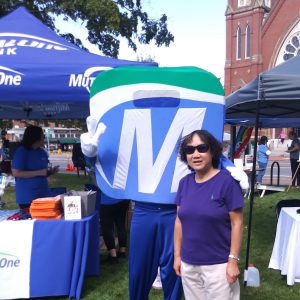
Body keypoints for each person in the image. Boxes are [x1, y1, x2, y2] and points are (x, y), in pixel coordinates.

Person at [174, 130, 244, 300]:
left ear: (212, 151)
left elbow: (237, 223)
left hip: (218, 266)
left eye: (201, 148)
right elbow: (179, 222)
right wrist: (177, 256)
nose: (195, 154)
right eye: (190, 150)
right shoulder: (184, 183)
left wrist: (233, 261)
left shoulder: (227, 182)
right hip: (189, 264)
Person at [85, 155, 129, 264]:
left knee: (107, 226)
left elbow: (96, 181)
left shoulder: (95, 157)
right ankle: (122, 251)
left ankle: (113, 256)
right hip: (122, 196)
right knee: (121, 224)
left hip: (107, 199)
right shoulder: (119, 155)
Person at [11, 125, 59, 209]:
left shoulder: (42, 152)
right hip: (27, 197)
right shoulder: (22, 152)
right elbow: (16, 173)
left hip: (44, 195)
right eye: (42, 136)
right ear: (35, 137)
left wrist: (50, 172)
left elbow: (43, 173)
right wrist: (39, 172)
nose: (44, 138)